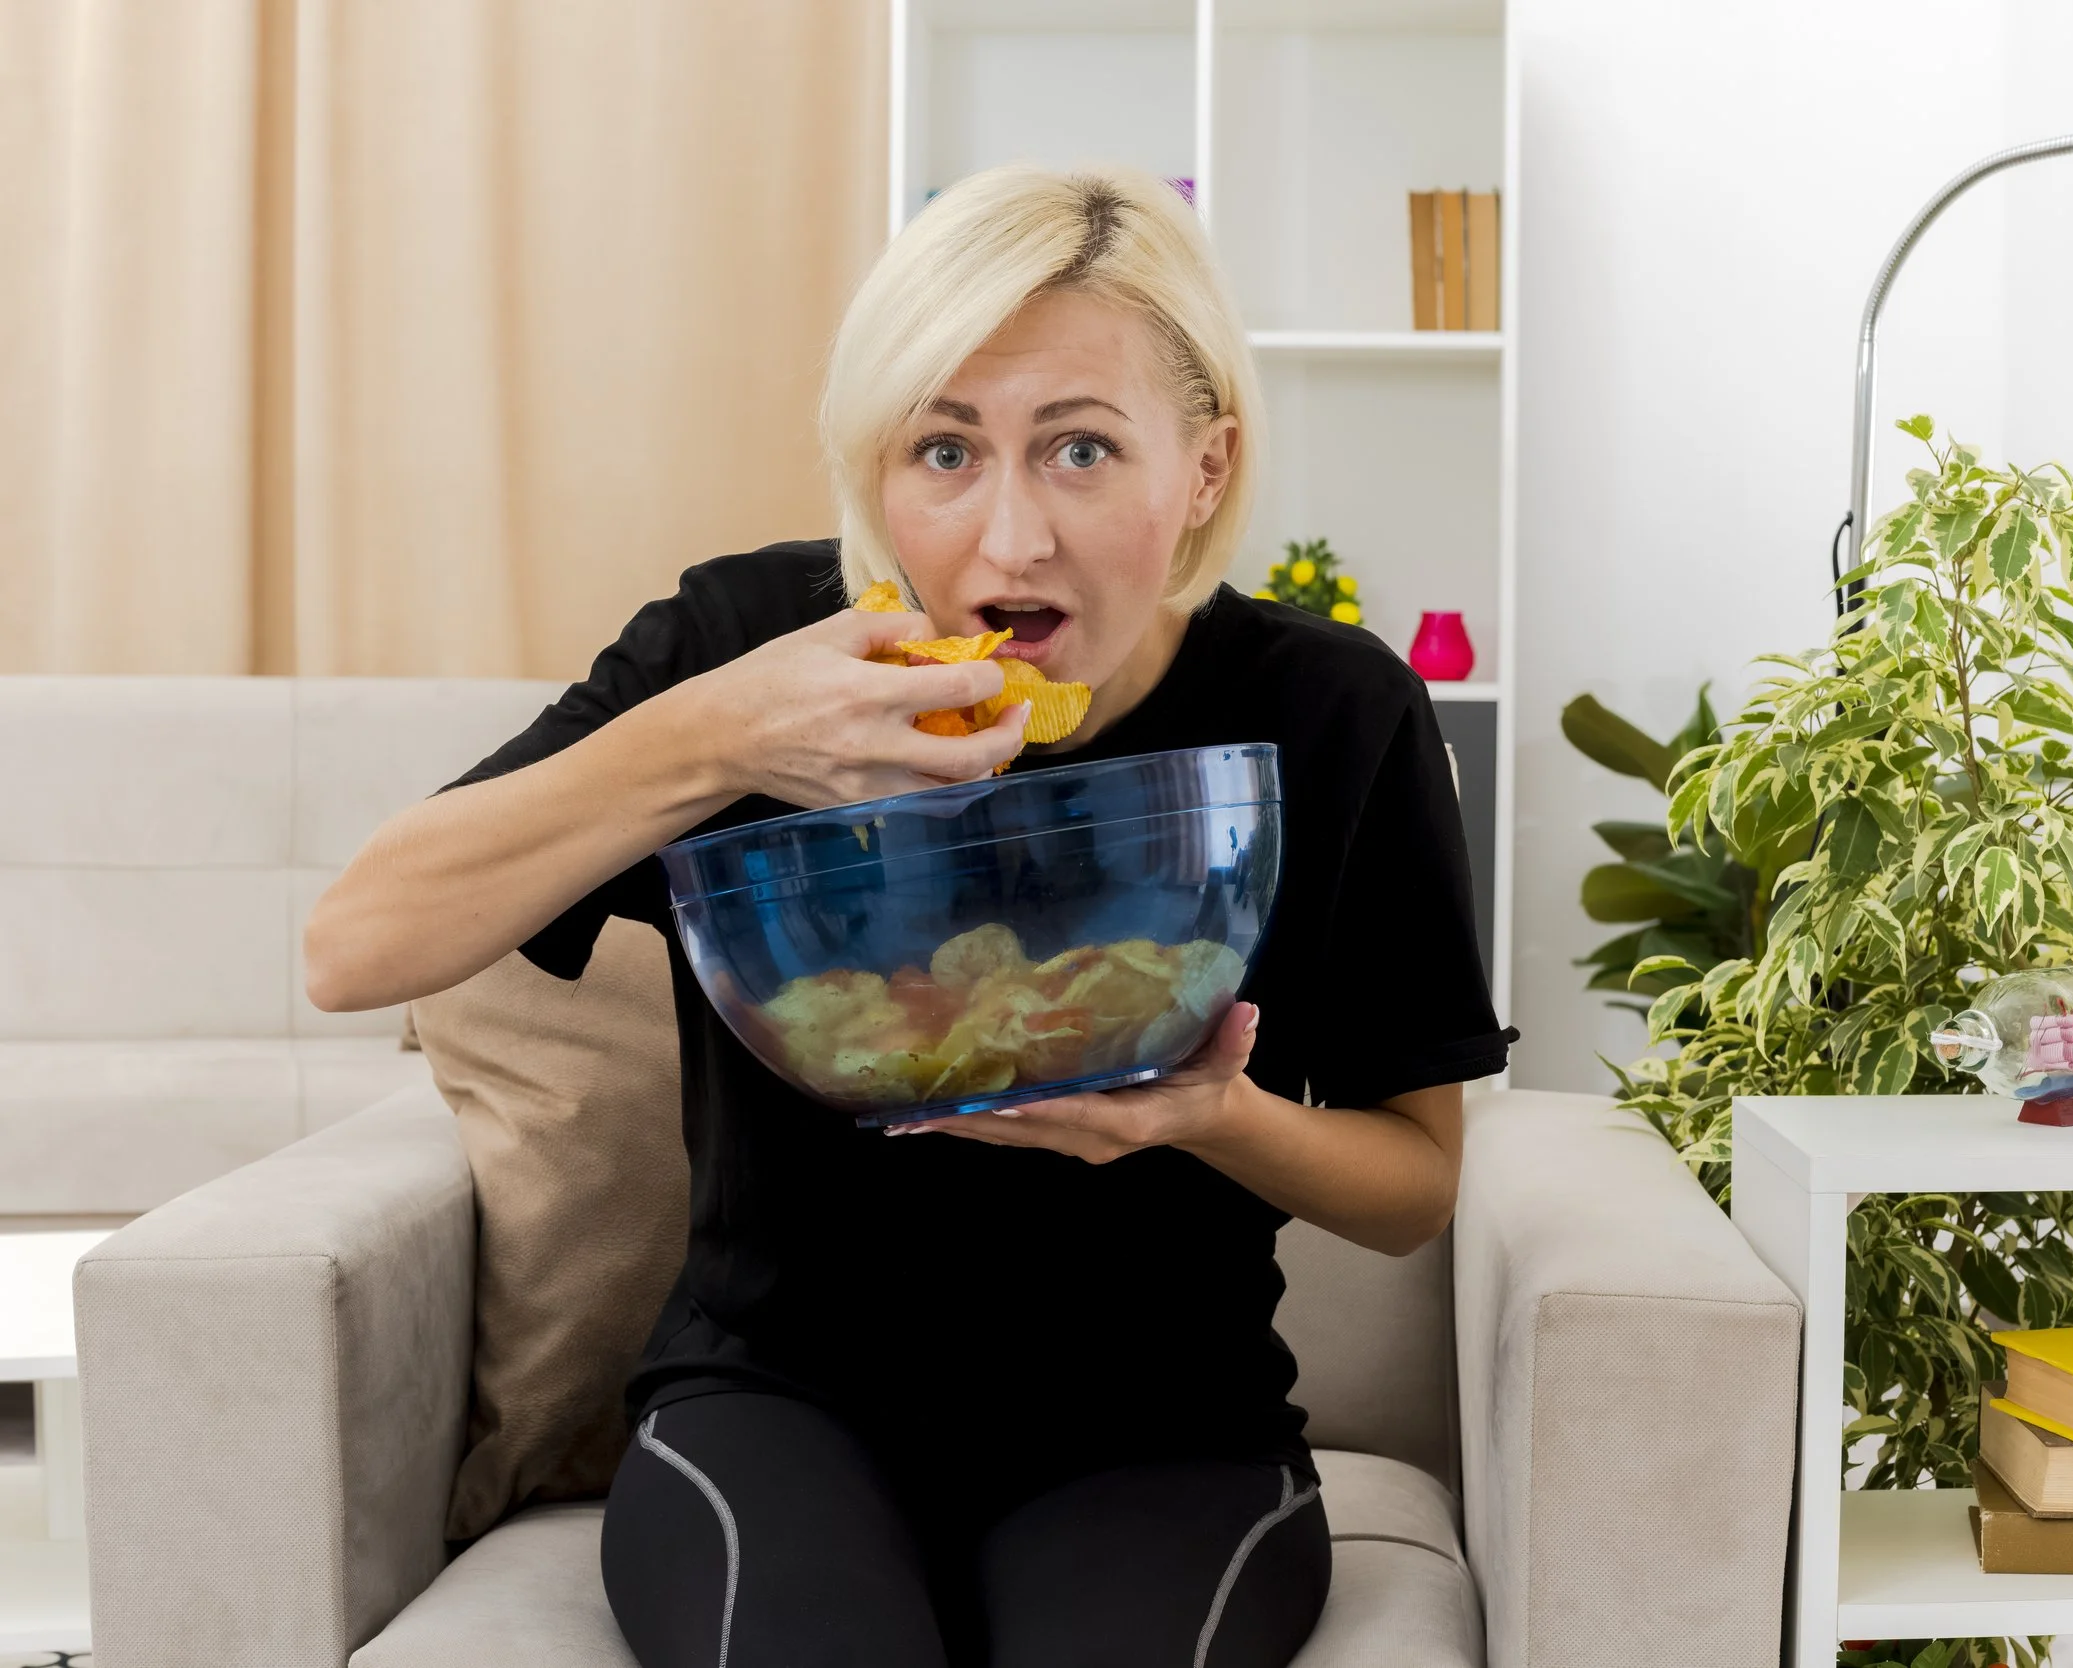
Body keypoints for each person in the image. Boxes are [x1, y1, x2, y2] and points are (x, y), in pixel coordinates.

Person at [305, 163, 1512, 1668]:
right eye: (944, 449)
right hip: (774, 1411)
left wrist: (1206, 1118)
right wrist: (717, 738)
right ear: (875, 468)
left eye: (1081, 447)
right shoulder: (750, 652)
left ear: (1203, 469)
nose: (1010, 541)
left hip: (1166, 1433)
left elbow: (1413, 1189)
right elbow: (353, 948)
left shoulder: (1331, 714)